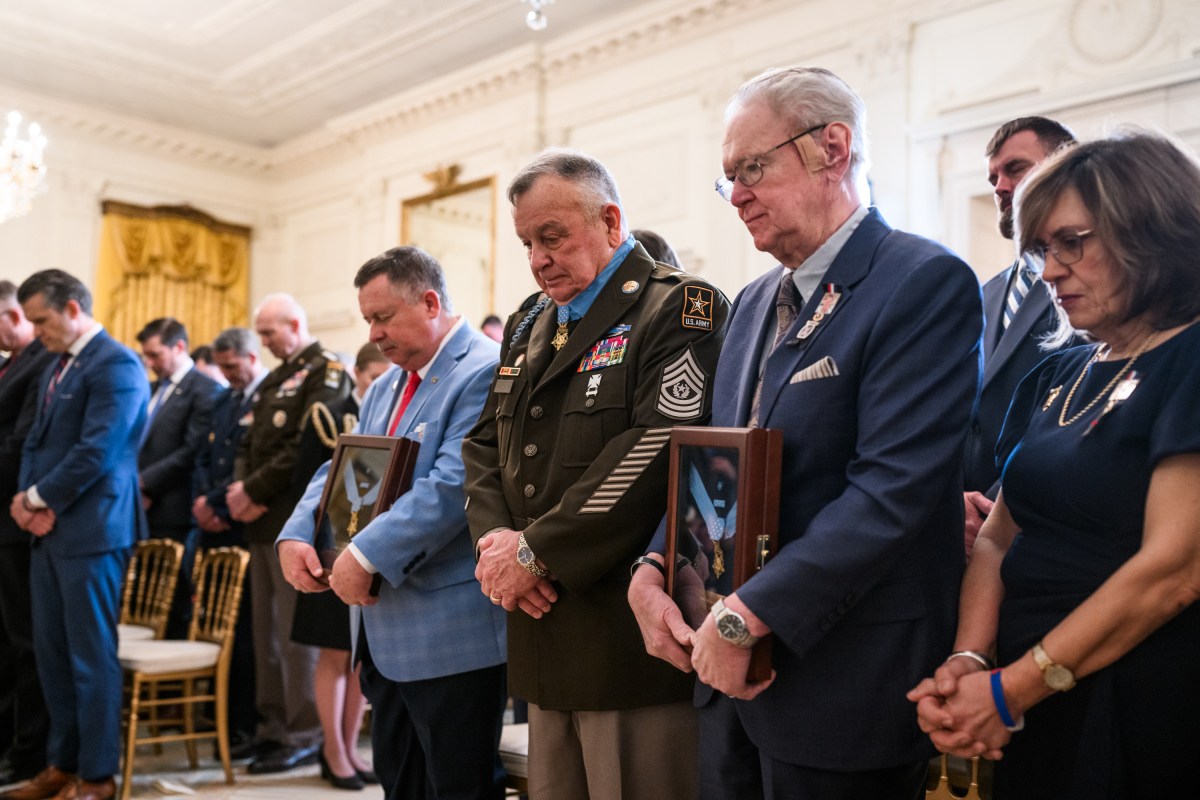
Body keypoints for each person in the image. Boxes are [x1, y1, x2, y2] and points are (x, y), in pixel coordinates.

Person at [626, 66, 982, 799]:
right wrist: (654, 568)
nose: (739, 196)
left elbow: (891, 492)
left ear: (833, 148)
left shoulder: (921, 282)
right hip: (726, 675)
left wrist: (748, 617)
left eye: (752, 167)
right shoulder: (753, 300)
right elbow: (715, 468)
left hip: (843, 676)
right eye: (729, 180)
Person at [909, 130, 1200, 798]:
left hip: (1138, 697)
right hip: (1030, 694)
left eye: (1073, 243)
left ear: (1154, 231)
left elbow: (1174, 571)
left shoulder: (1190, 360)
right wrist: (969, 658)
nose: (1048, 271)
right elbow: (998, 537)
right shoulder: (1057, 372)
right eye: (1042, 249)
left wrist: (1009, 690)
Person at [462, 148, 730, 799]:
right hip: (540, 623)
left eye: (552, 237)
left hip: (624, 638)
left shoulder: (682, 306)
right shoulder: (529, 321)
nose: (537, 258)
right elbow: (486, 445)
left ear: (611, 222)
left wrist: (536, 551)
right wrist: (498, 549)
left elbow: (659, 444)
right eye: (527, 242)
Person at [278, 246, 507, 800]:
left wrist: (364, 555)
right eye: (367, 321)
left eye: (383, 317)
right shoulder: (386, 384)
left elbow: (451, 487)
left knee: (456, 787)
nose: (374, 334)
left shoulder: (484, 370)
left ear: (430, 302)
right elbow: (344, 467)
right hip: (382, 633)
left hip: (450, 631)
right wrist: (297, 530)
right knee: (400, 783)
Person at [3, 270, 149, 800]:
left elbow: (99, 450)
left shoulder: (118, 363)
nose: (34, 329)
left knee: (90, 659)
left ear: (71, 308)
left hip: (93, 531)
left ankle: (97, 776)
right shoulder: (59, 365)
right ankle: (60, 766)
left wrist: (38, 500)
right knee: (52, 655)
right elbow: (33, 444)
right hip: (48, 529)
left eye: (41, 319)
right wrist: (24, 503)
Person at [228, 294, 351, 774]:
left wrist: (254, 489)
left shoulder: (326, 371)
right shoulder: (276, 378)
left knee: (293, 637)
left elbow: (310, 448)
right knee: (267, 636)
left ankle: (301, 733)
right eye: (259, 333)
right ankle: (272, 728)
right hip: (259, 519)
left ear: (296, 323)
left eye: (269, 332)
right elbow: (247, 438)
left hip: (291, 517)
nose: (263, 341)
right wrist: (239, 489)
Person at [962, 117, 1077, 557]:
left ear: (1065, 166)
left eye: (1015, 169)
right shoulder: (983, 293)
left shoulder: (1093, 287)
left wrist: (994, 507)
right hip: (968, 527)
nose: (1000, 186)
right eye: (993, 177)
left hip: (1044, 520)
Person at [288, 342, 389, 790]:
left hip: (368, 545)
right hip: (330, 542)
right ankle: (332, 749)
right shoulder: (328, 413)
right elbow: (313, 479)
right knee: (333, 651)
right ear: (358, 374)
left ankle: (350, 746)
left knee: (357, 657)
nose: (377, 385)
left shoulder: (393, 411)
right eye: (371, 377)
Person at [191, 327, 268, 757]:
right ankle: (220, 717)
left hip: (241, 526)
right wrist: (204, 501)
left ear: (251, 357)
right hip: (212, 523)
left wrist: (220, 505)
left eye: (232, 366)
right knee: (218, 628)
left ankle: (244, 724)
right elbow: (205, 457)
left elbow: (250, 465)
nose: (226, 374)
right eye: (221, 367)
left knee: (246, 634)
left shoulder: (266, 397)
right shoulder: (222, 400)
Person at [136, 317, 221, 638]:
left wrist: (143, 484)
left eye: (155, 354)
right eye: (146, 355)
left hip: (174, 508)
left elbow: (190, 452)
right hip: (142, 506)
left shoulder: (204, 389)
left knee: (171, 601)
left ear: (179, 347)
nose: (149, 362)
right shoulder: (152, 388)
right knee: (144, 598)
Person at [0, 281, 53, 786]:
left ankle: (29, 748)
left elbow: (19, 446)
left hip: (20, 521)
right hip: (7, 520)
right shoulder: (12, 362)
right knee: (7, 640)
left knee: (27, 642)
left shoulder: (43, 361)